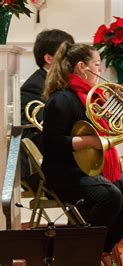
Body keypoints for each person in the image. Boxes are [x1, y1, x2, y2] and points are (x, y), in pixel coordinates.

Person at [41, 42, 123, 266]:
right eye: (97, 64)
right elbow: (51, 144)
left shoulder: (94, 96)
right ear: (82, 67)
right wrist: (89, 142)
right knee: (110, 196)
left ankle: (99, 247)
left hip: (94, 168)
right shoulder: (61, 99)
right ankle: (81, 253)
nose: (100, 70)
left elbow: (111, 127)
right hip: (66, 172)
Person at [20, 29, 75, 191]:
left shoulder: (63, 84)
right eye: (67, 55)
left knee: (122, 180)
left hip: (61, 160)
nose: (72, 60)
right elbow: (39, 135)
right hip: (42, 168)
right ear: (49, 58)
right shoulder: (34, 87)